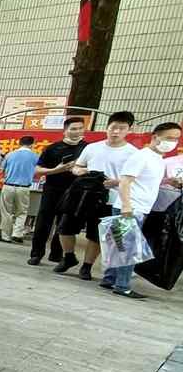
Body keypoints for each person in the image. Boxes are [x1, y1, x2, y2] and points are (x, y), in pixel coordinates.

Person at [99, 122, 180, 298]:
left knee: (119, 246)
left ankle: (109, 278)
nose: (172, 142)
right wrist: (127, 206)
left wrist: (168, 181)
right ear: (155, 137)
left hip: (140, 207)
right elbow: (125, 181)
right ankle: (122, 286)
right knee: (129, 249)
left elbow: (146, 181)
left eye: (176, 139)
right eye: (169, 138)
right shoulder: (142, 156)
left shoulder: (158, 159)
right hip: (130, 207)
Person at [55, 111, 139, 280]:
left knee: (95, 234)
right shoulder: (92, 147)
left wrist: (116, 182)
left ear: (130, 129)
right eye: (113, 127)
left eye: (121, 128)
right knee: (65, 227)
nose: (116, 132)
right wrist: (80, 171)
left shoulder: (133, 153)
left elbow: (135, 179)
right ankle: (69, 257)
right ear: (107, 127)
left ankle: (87, 266)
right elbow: (77, 166)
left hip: (109, 199)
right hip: (82, 196)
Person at [29, 117, 86, 265]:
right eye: (73, 129)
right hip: (52, 190)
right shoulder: (53, 148)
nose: (77, 131)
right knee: (43, 222)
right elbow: (37, 170)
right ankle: (36, 254)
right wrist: (57, 170)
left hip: (74, 192)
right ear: (65, 130)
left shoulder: (88, 148)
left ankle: (56, 254)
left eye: (80, 128)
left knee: (64, 224)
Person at [0, 136, 40, 243]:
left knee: (6, 212)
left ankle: (5, 236)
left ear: (19, 143)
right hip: (24, 188)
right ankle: (17, 234)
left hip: (8, 186)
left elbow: (1, 170)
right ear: (32, 144)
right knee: (21, 212)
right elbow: (38, 171)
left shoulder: (10, 155)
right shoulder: (35, 156)